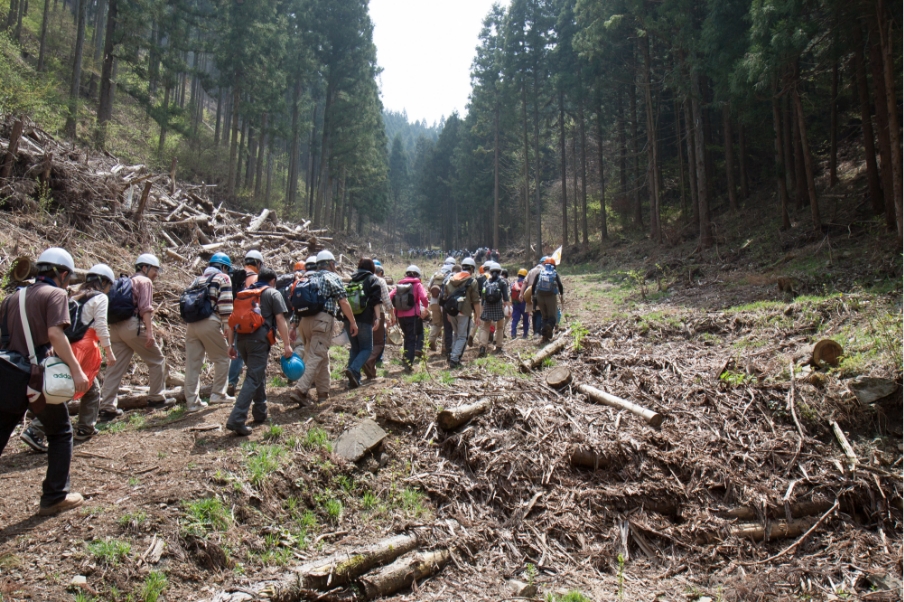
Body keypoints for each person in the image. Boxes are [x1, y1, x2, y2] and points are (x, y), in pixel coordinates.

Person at [0, 247, 89, 515]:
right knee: (61, 432)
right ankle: (55, 496)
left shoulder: (11, 298)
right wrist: (76, 370)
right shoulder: (56, 294)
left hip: (7, 373)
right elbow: (55, 334)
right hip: (36, 379)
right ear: (62, 274)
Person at [20, 263, 117, 451]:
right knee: (66, 388)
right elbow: (101, 326)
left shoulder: (74, 296)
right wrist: (109, 351)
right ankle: (36, 430)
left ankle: (86, 426)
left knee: (90, 387)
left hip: (67, 345)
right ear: (104, 282)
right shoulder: (100, 298)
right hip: (84, 347)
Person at [98, 253, 173, 419]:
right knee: (157, 360)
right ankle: (156, 399)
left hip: (115, 328)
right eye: (155, 269)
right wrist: (150, 333)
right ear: (145, 268)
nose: (157, 273)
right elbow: (145, 308)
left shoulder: (127, 281)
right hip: (132, 326)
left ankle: (107, 407)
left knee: (115, 367)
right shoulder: (144, 281)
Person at [226, 267, 293, 435]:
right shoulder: (272, 293)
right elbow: (280, 319)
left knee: (257, 373)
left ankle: (260, 412)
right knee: (253, 377)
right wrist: (286, 344)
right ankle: (237, 418)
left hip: (241, 340)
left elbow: (232, 320)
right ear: (272, 281)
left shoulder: (244, 293)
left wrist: (231, 344)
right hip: (259, 341)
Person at [288, 251, 358, 404]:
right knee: (316, 356)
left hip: (304, 323)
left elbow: (298, 306)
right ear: (331, 263)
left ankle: (323, 393)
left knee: (322, 356)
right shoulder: (332, 277)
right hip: (322, 321)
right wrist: (352, 322)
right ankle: (300, 390)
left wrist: (293, 327)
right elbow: (343, 301)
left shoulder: (307, 278)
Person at [182, 253, 235, 414]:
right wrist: (228, 329)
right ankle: (218, 393)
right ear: (224, 267)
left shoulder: (197, 280)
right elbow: (226, 307)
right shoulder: (223, 278)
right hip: (210, 322)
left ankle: (192, 402)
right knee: (223, 358)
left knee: (193, 364)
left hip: (192, 324)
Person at [226, 250, 265, 397]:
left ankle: (232, 381)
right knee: (251, 352)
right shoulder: (255, 277)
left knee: (237, 350)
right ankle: (254, 382)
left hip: (235, 317)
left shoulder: (236, 276)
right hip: (250, 319)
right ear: (258, 263)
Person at [343, 258, 382, 388]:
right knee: (367, 348)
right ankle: (353, 369)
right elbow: (376, 301)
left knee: (355, 348)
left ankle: (353, 380)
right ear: (372, 268)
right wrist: (378, 318)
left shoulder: (352, 280)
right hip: (364, 319)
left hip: (349, 319)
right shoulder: (372, 279)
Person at [445, 257, 481, 369]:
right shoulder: (472, 281)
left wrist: (447, 313)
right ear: (471, 269)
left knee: (456, 334)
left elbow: (446, 297)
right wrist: (478, 316)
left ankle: (452, 356)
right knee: (462, 337)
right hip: (464, 312)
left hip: (452, 312)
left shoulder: (451, 279)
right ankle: (454, 359)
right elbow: (476, 301)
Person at [391, 265, 429, 371]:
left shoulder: (399, 284)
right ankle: (409, 364)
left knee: (407, 336)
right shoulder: (417, 284)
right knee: (412, 338)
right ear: (417, 275)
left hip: (400, 315)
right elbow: (424, 297)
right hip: (412, 315)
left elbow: (390, 296)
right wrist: (425, 306)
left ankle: (405, 359)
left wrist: (393, 312)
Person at [362, 261, 393, 379]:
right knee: (379, 342)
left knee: (366, 342)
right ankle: (368, 360)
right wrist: (392, 314)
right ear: (379, 273)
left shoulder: (361, 279)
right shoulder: (379, 281)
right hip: (377, 313)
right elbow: (386, 299)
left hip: (361, 314)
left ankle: (371, 371)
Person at [478, 262, 510, 357]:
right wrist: (508, 307)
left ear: (490, 272)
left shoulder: (486, 282)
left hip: (487, 307)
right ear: (500, 272)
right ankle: (499, 346)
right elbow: (506, 297)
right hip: (498, 307)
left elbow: (483, 297)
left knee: (485, 328)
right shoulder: (502, 282)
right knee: (499, 327)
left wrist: (482, 308)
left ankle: (483, 347)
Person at [531, 258, 564, 342]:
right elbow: (560, 285)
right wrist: (561, 295)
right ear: (554, 266)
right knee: (552, 317)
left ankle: (544, 336)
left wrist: (533, 296)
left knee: (544, 316)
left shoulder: (540, 273)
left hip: (540, 296)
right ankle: (548, 327)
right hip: (551, 296)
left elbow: (534, 285)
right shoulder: (554, 274)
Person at [523, 257, 546, 338]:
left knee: (534, 312)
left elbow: (525, 283)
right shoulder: (545, 271)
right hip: (541, 293)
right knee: (540, 313)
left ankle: (535, 332)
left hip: (530, 293)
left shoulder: (531, 271)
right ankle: (537, 332)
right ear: (544, 263)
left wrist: (521, 294)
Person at [510, 268, 530, 339]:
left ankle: (513, 334)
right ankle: (525, 334)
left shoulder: (513, 283)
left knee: (515, 319)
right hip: (524, 303)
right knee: (526, 319)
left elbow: (511, 293)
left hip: (515, 303)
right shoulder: (526, 284)